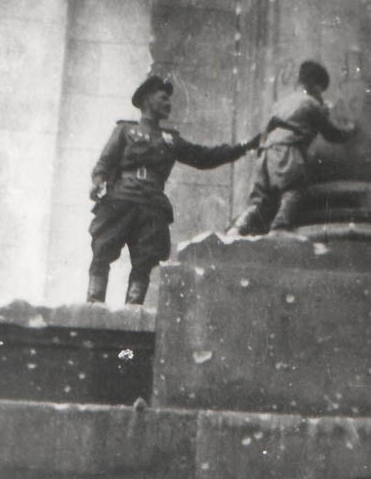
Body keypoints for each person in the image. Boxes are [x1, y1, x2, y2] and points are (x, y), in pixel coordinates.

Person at [87, 75, 260, 305]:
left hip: (151, 204)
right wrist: (98, 182)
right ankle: (94, 302)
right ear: (148, 100)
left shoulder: (170, 139)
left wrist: (242, 148)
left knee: (145, 260)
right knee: (102, 250)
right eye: (163, 98)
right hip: (121, 198)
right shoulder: (125, 130)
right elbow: (104, 164)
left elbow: (204, 157)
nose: (169, 103)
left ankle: (133, 308)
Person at [229, 60, 356, 236]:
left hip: (265, 153)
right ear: (315, 85)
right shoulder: (310, 103)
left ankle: (237, 229)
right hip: (287, 150)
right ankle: (279, 229)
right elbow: (331, 133)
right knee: (294, 191)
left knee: (259, 201)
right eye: (321, 88)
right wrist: (351, 130)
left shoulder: (283, 102)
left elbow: (265, 129)